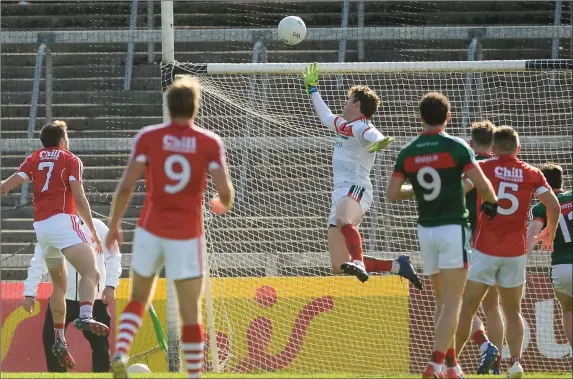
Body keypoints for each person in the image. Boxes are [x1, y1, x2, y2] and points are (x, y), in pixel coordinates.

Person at [106, 76, 234, 379]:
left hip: (151, 230)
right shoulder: (209, 142)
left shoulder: (148, 137)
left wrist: (114, 224)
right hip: (187, 236)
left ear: (168, 105)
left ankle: (122, 350)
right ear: (196, 107)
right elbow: (226, 191)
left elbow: (126, 187)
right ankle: (193, 376)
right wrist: (220, 203)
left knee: (139, 297)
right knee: (191, 312)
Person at [386, 92, 498, 378]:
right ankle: (435, 363)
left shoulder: (408, 151)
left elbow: (393, 194)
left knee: (441, 301)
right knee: (453, 302)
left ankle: (451, 366)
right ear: (448, 117)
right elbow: (482, 184)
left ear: (421, 117)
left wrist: (419, 190)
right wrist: (491, 201)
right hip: (452, 229)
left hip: (426, 231)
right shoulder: (457, 147)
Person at [301, 62, 422, 289]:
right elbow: (325, 114)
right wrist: (312, 89)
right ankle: (397, 265)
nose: (344, 104)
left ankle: (359, 261)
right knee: (339, 265)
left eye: (348, 100)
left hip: (356, 188)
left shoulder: (361, 126)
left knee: (343, 221)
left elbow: (372, 133)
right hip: (340, 192)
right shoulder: (342, 125)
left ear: (356, 104)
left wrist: (380, 141)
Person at [0, 120, 109, 369]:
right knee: (90, 271)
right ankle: (85, 315)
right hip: (62, 222)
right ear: (62, 140)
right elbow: (79, 197)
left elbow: (6, 187)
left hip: (41, 228)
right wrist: (91, 230)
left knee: (58, 284)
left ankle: (59, 338)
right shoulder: (71, 159)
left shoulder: (33, 159)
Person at [456, 126, 561, 379]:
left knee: (467, 308)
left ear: (492, 149)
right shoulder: (532, 173)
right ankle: (514, 363)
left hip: (485, 249)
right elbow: (553, 205)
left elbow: (460, 190)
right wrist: (550, 230)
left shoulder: (485, 168)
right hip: (515, 252)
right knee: (512, 310)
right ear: (518, 149)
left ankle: (451, 363)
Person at [22, 217, 121, 372]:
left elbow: (114, 256)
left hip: (94, 298)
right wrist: (29, 292)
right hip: (63, 298)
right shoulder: (53, 228)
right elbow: (38, 260)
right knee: (50, 339)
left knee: (100, 344)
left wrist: (111, 285)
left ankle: (100, 373)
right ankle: (57, 374)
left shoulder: (98, 226)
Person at [466, 120, 504, 375]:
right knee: (493, 306)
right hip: (499, 242)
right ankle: (497, 365)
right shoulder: (504, 170)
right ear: (493, 145)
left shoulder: (468, 168)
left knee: (459, 304)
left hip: (470, 241)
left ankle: (484, 346)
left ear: (471, 143)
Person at [528, 163, 572, 349]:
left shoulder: (540, 208)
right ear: (562, 180)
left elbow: (533, 234)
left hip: (561, 267)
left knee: (569, 311)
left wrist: (520, 259)